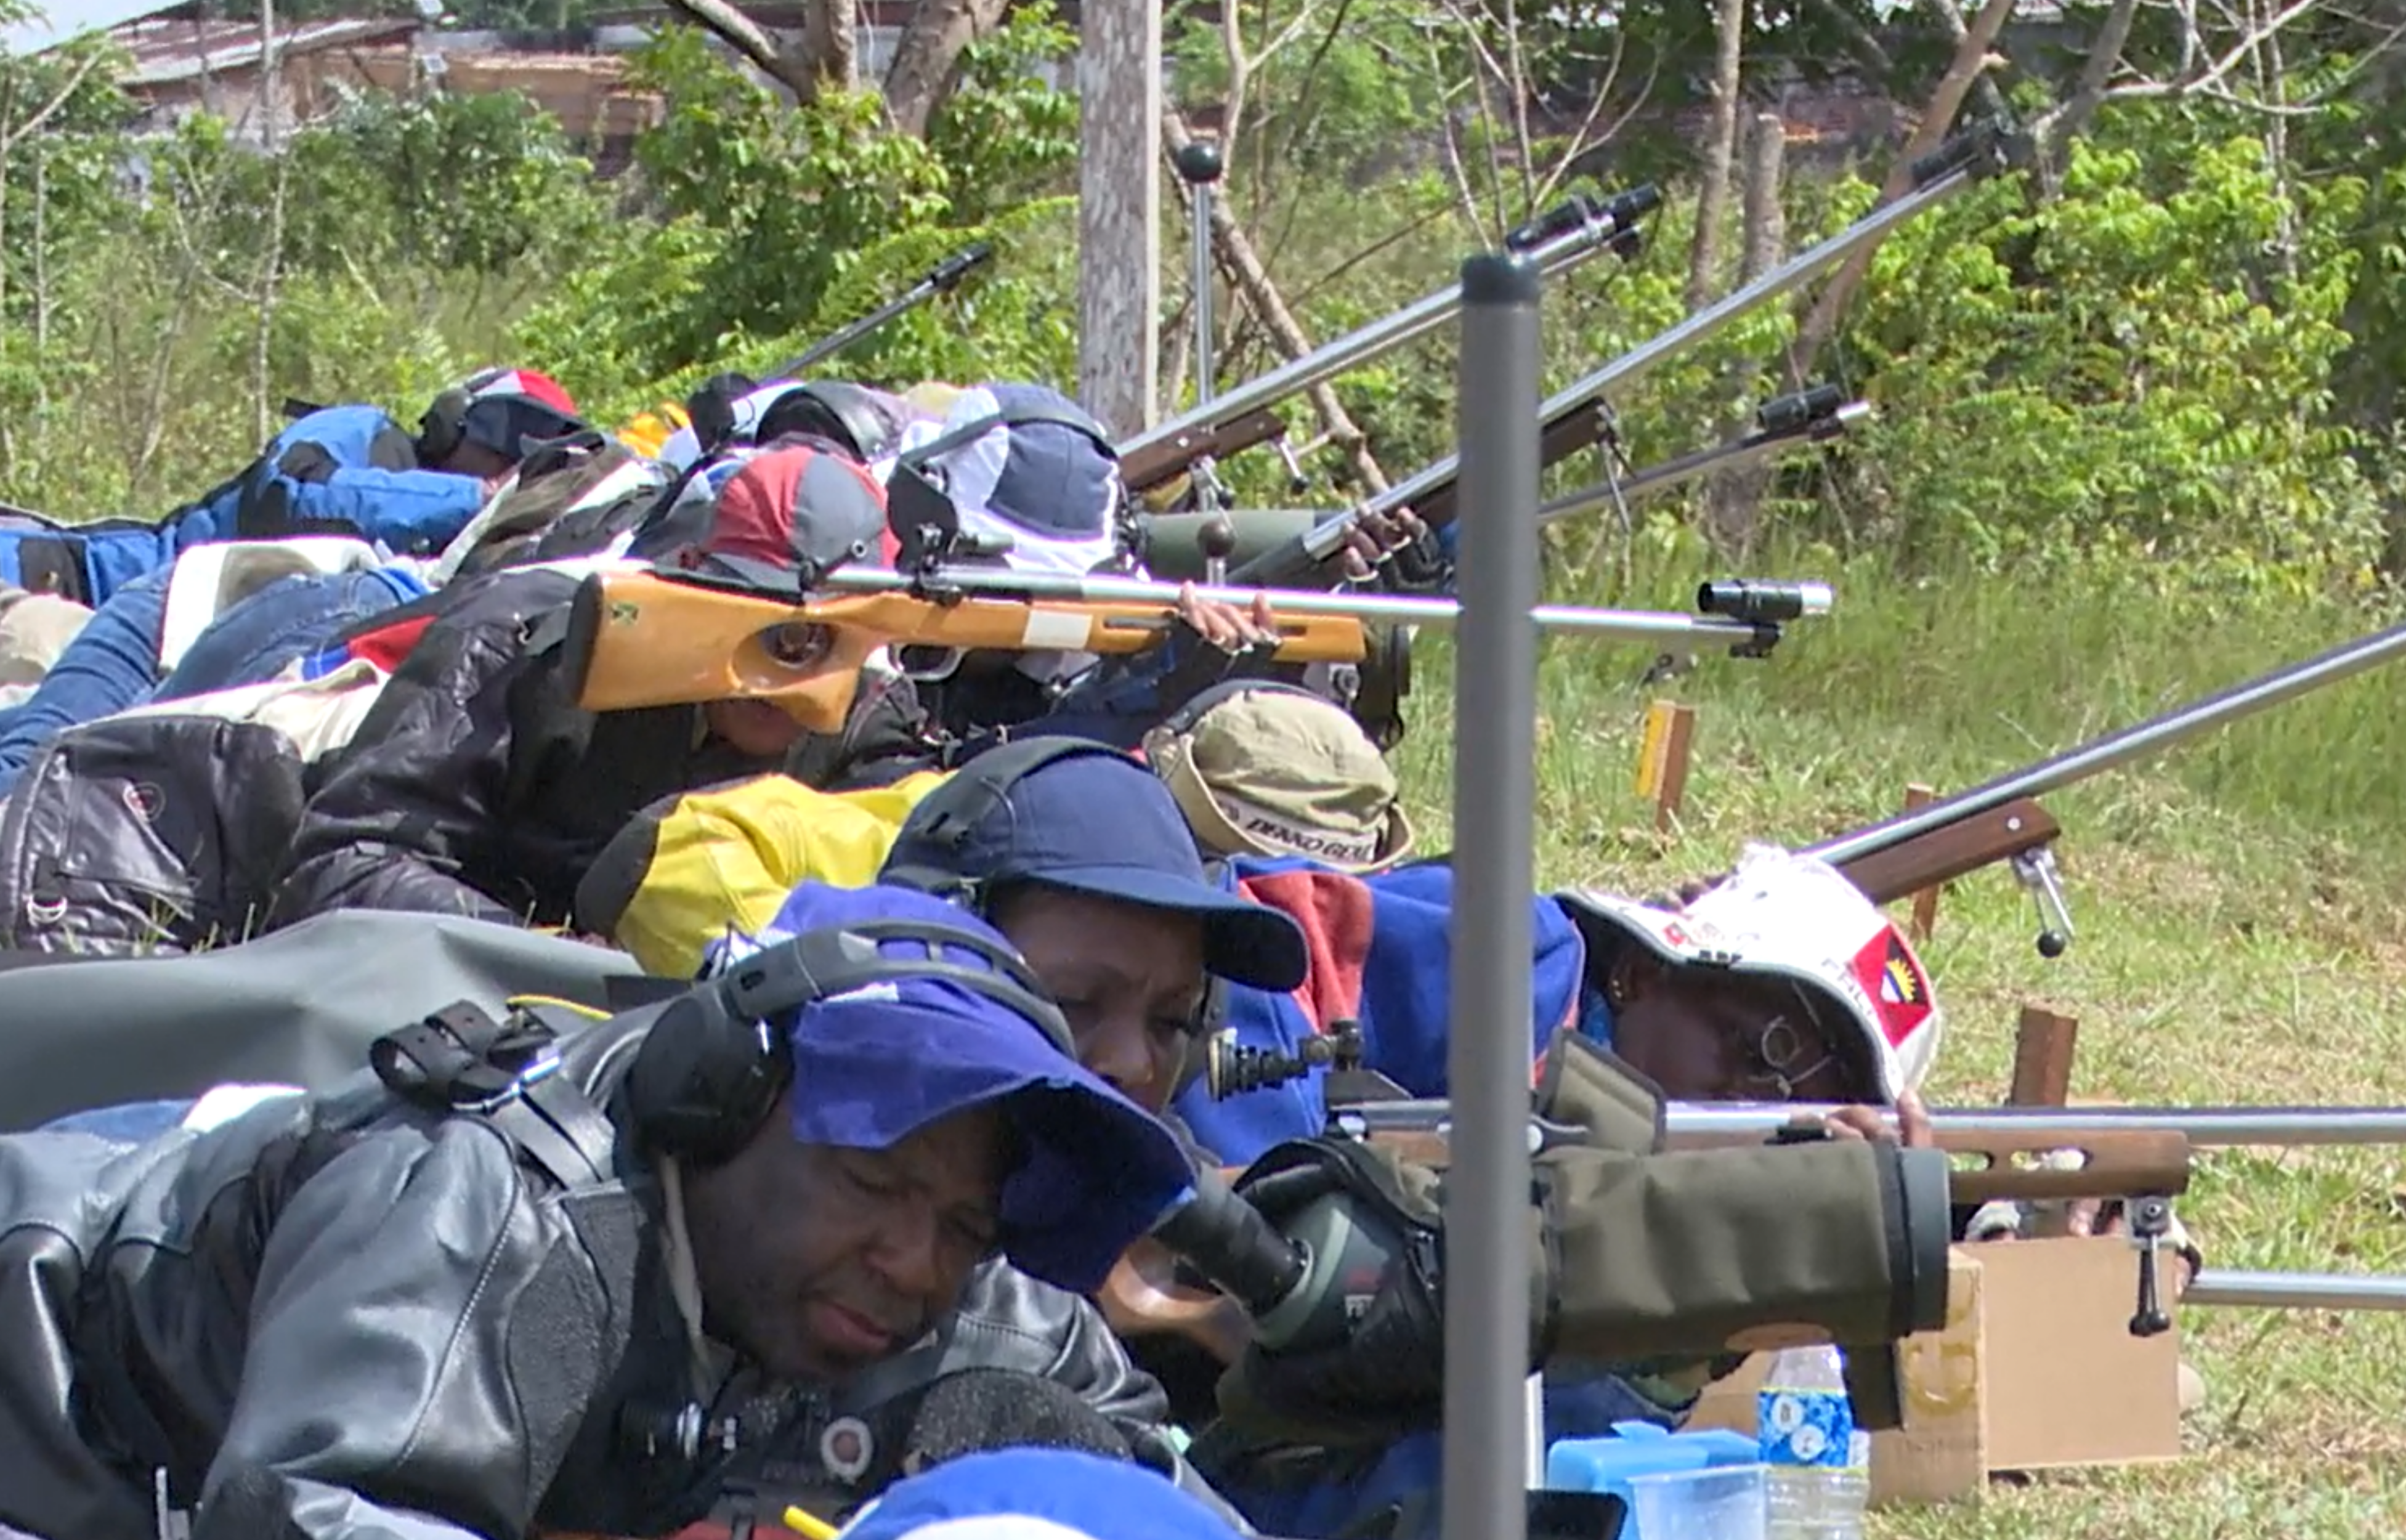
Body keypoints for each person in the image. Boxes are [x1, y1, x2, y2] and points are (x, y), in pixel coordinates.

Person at [0, 880, 1203, 1540]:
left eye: (964, 1224)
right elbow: (299, 1517)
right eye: (872, 1180)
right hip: (52, 1414)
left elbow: (1144, 1477)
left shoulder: (961, 1291)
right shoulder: (493, 1206)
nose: (911, 1261)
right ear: (725, 1100)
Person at [264, 439, 943, 933]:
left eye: (820, 638)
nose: (786, 666)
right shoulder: (523, 647)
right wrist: (543, 951)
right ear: (693, 586)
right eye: (756, 621)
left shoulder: (871, 721)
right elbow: (343, 861)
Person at [0, 367, 586, 610]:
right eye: (504, 438)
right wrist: (480, 500)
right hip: (71, 581)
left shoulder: (463, 554)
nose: (508, 466)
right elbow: (287, 496)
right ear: (455, 417)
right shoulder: (367, 434)